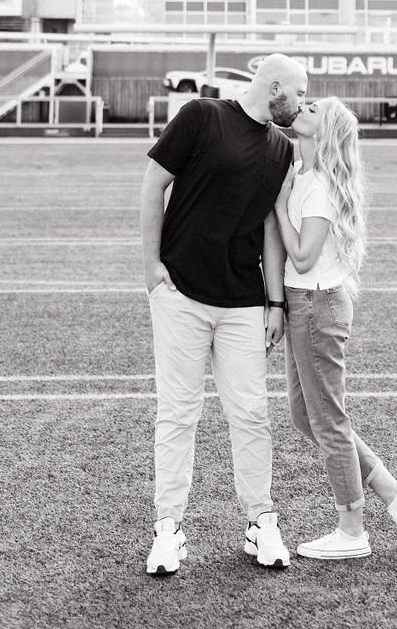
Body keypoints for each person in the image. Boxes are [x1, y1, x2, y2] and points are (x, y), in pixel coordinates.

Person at [140, 53, 309, 577]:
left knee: (251, 415)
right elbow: (153, 185)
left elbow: (270, 231)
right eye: (299, 93)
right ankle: (168, 529)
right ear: (275, 86)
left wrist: (275, 301)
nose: (302, 104)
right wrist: (151, 267)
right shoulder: (200, 115)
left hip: (243, 302)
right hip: (181, 294)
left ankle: (261, 521)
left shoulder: (282, 148)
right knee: (178, 413)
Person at [272, 96, 397, 560]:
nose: (301, 109)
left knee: (330, 421)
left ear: (324, 132)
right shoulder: (303, 173)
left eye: (312, 110)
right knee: (303, 416)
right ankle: (394, 492)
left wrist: (276, 206)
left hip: (317, 306)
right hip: (303, 304)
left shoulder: (317, 187)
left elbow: (302, 255)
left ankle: (352, 528)